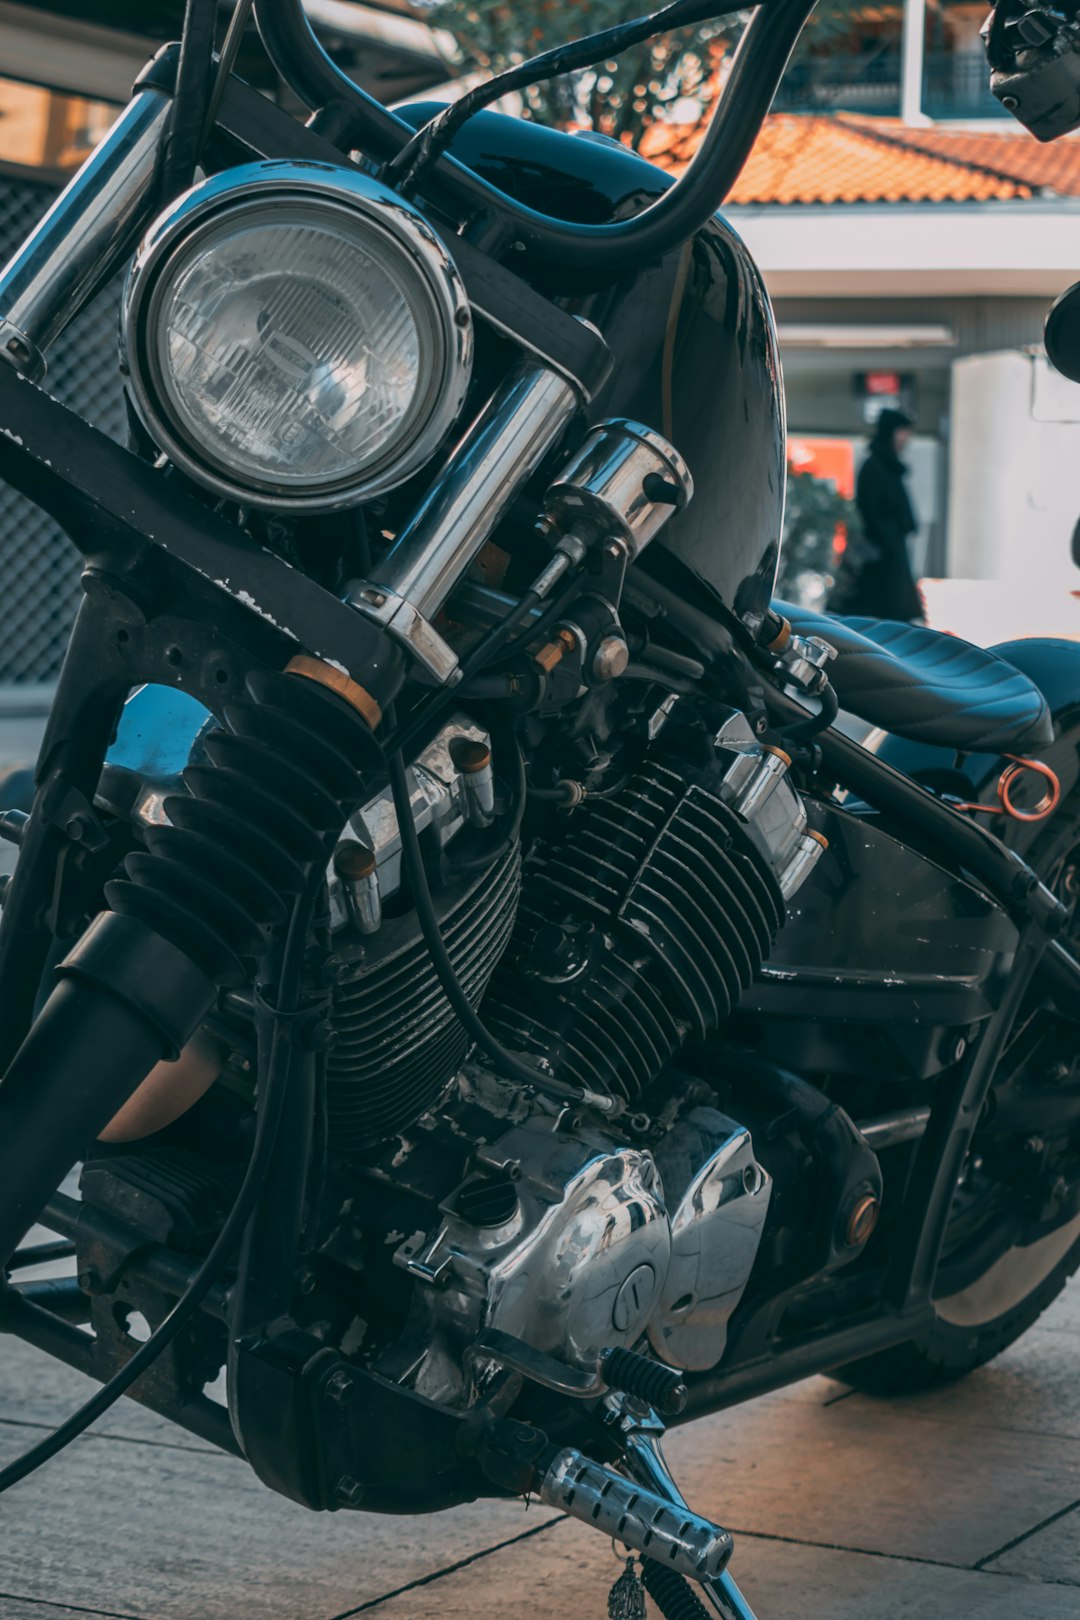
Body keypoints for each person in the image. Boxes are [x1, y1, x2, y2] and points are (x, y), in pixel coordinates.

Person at [829, 408, 923, 622]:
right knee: (878, 616)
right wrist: (887, 539)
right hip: (880, 560)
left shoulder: (887, 467)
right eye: (903, 432)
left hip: (887, 556)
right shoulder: (876, 467)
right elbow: (870, 512)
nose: (906, 439)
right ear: (892, 432)